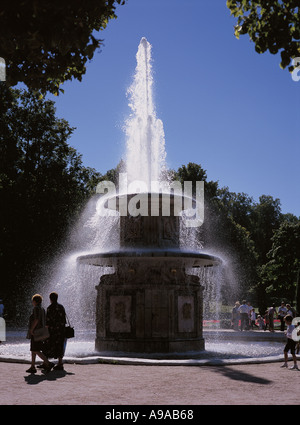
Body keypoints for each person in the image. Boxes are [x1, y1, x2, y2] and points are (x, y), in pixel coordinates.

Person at [26, 294, 54, 374]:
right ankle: (32, 366)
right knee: (33, 349)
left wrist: (31, 329)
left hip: (36, 332)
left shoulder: (36, 309)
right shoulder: (42, 309)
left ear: (35, 301)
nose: (32, 302)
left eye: (32, 301)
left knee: (36, 349)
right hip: (40, 332)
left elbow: (36, 320)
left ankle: (48, 363)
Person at [43, 292, 67, 371]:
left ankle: (46, 363)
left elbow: (48, 321)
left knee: (48, 345)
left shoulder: (50, 308)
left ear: (50, 299)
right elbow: (64, 319)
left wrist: (45, 330)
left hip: (52, 331)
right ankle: (60, 363)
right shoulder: (61, 307)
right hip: (61, 330)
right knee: (60, 345)